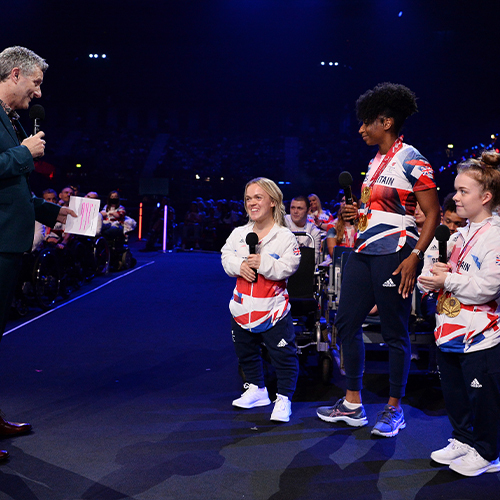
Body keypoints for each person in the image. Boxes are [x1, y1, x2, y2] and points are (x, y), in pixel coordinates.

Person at [316, 82, 440, 437]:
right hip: (363, 251)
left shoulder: (413, 158)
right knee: (346, 323)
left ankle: (393, 410)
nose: (360, 129)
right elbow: (382, 208)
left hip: (396, 253)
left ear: (385, 122)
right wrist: (357, 212)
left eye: (366, 122)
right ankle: (352, 404)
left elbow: (432, 213)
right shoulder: (374, 162)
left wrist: (415, 256)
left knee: (394, 332)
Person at [0, 46, 75, 460]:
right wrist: (23, 153)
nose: (39, 93)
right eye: (36, 82)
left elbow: (10, 191)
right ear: (14, 74)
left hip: (8, 241)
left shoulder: (10, 119)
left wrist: (49, 210)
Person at [418, 151, 500, 476]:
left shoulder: (495, 236)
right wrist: (432, 273)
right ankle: (464, 440)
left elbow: (488, 286)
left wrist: (447, 278)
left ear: (486, 197)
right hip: (448, 332)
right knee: (455, 395)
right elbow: (429, 267)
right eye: (456, 189)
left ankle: (488, 452)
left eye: (464, 191)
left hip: (480, 336)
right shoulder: (459, 233)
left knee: (483, 400)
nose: (455, 197)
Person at [221, 177, 301, 422]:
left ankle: (283, 399)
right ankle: (256, 390)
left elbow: (290, 266)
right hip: (242, 311)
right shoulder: (239, 234)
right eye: (248, 198)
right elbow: (225, 256)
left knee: (284, 358)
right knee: (246, 354)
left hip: (273, 311)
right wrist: (238, 265)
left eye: (258, 197)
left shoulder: (285, 236)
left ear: (274, 202)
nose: (252, 203)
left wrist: (263, 263)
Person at [285, 195, 322, 263]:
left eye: (300, 208)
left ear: (308, 210)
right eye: (293, 208)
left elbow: (312, 260)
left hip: (303, 268)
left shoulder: (314, 232)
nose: (295, 211)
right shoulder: (282, 223)